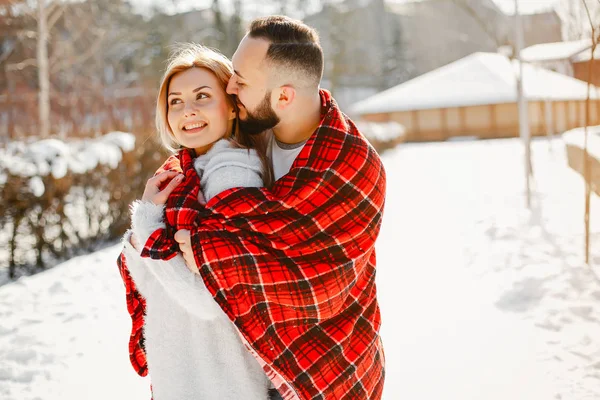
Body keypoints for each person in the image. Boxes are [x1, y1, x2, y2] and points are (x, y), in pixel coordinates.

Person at [151, 16, 387, 399]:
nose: (229, 87)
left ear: (284, 96)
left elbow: (316, 284)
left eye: (240, 81)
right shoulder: (250, 134)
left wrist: (207, 249)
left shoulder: (351, 164)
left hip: (329, 369)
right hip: (255, 368)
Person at [117, 43, 276, 400]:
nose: (187, 110)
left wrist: (147, 226)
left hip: (222, 382)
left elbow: (211, 300)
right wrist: (148, 219)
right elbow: (152, 283)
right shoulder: (182, 175)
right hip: (186, 374)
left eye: (202, 96)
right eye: (175, 101)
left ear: (233, 107)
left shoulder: (232, 175)